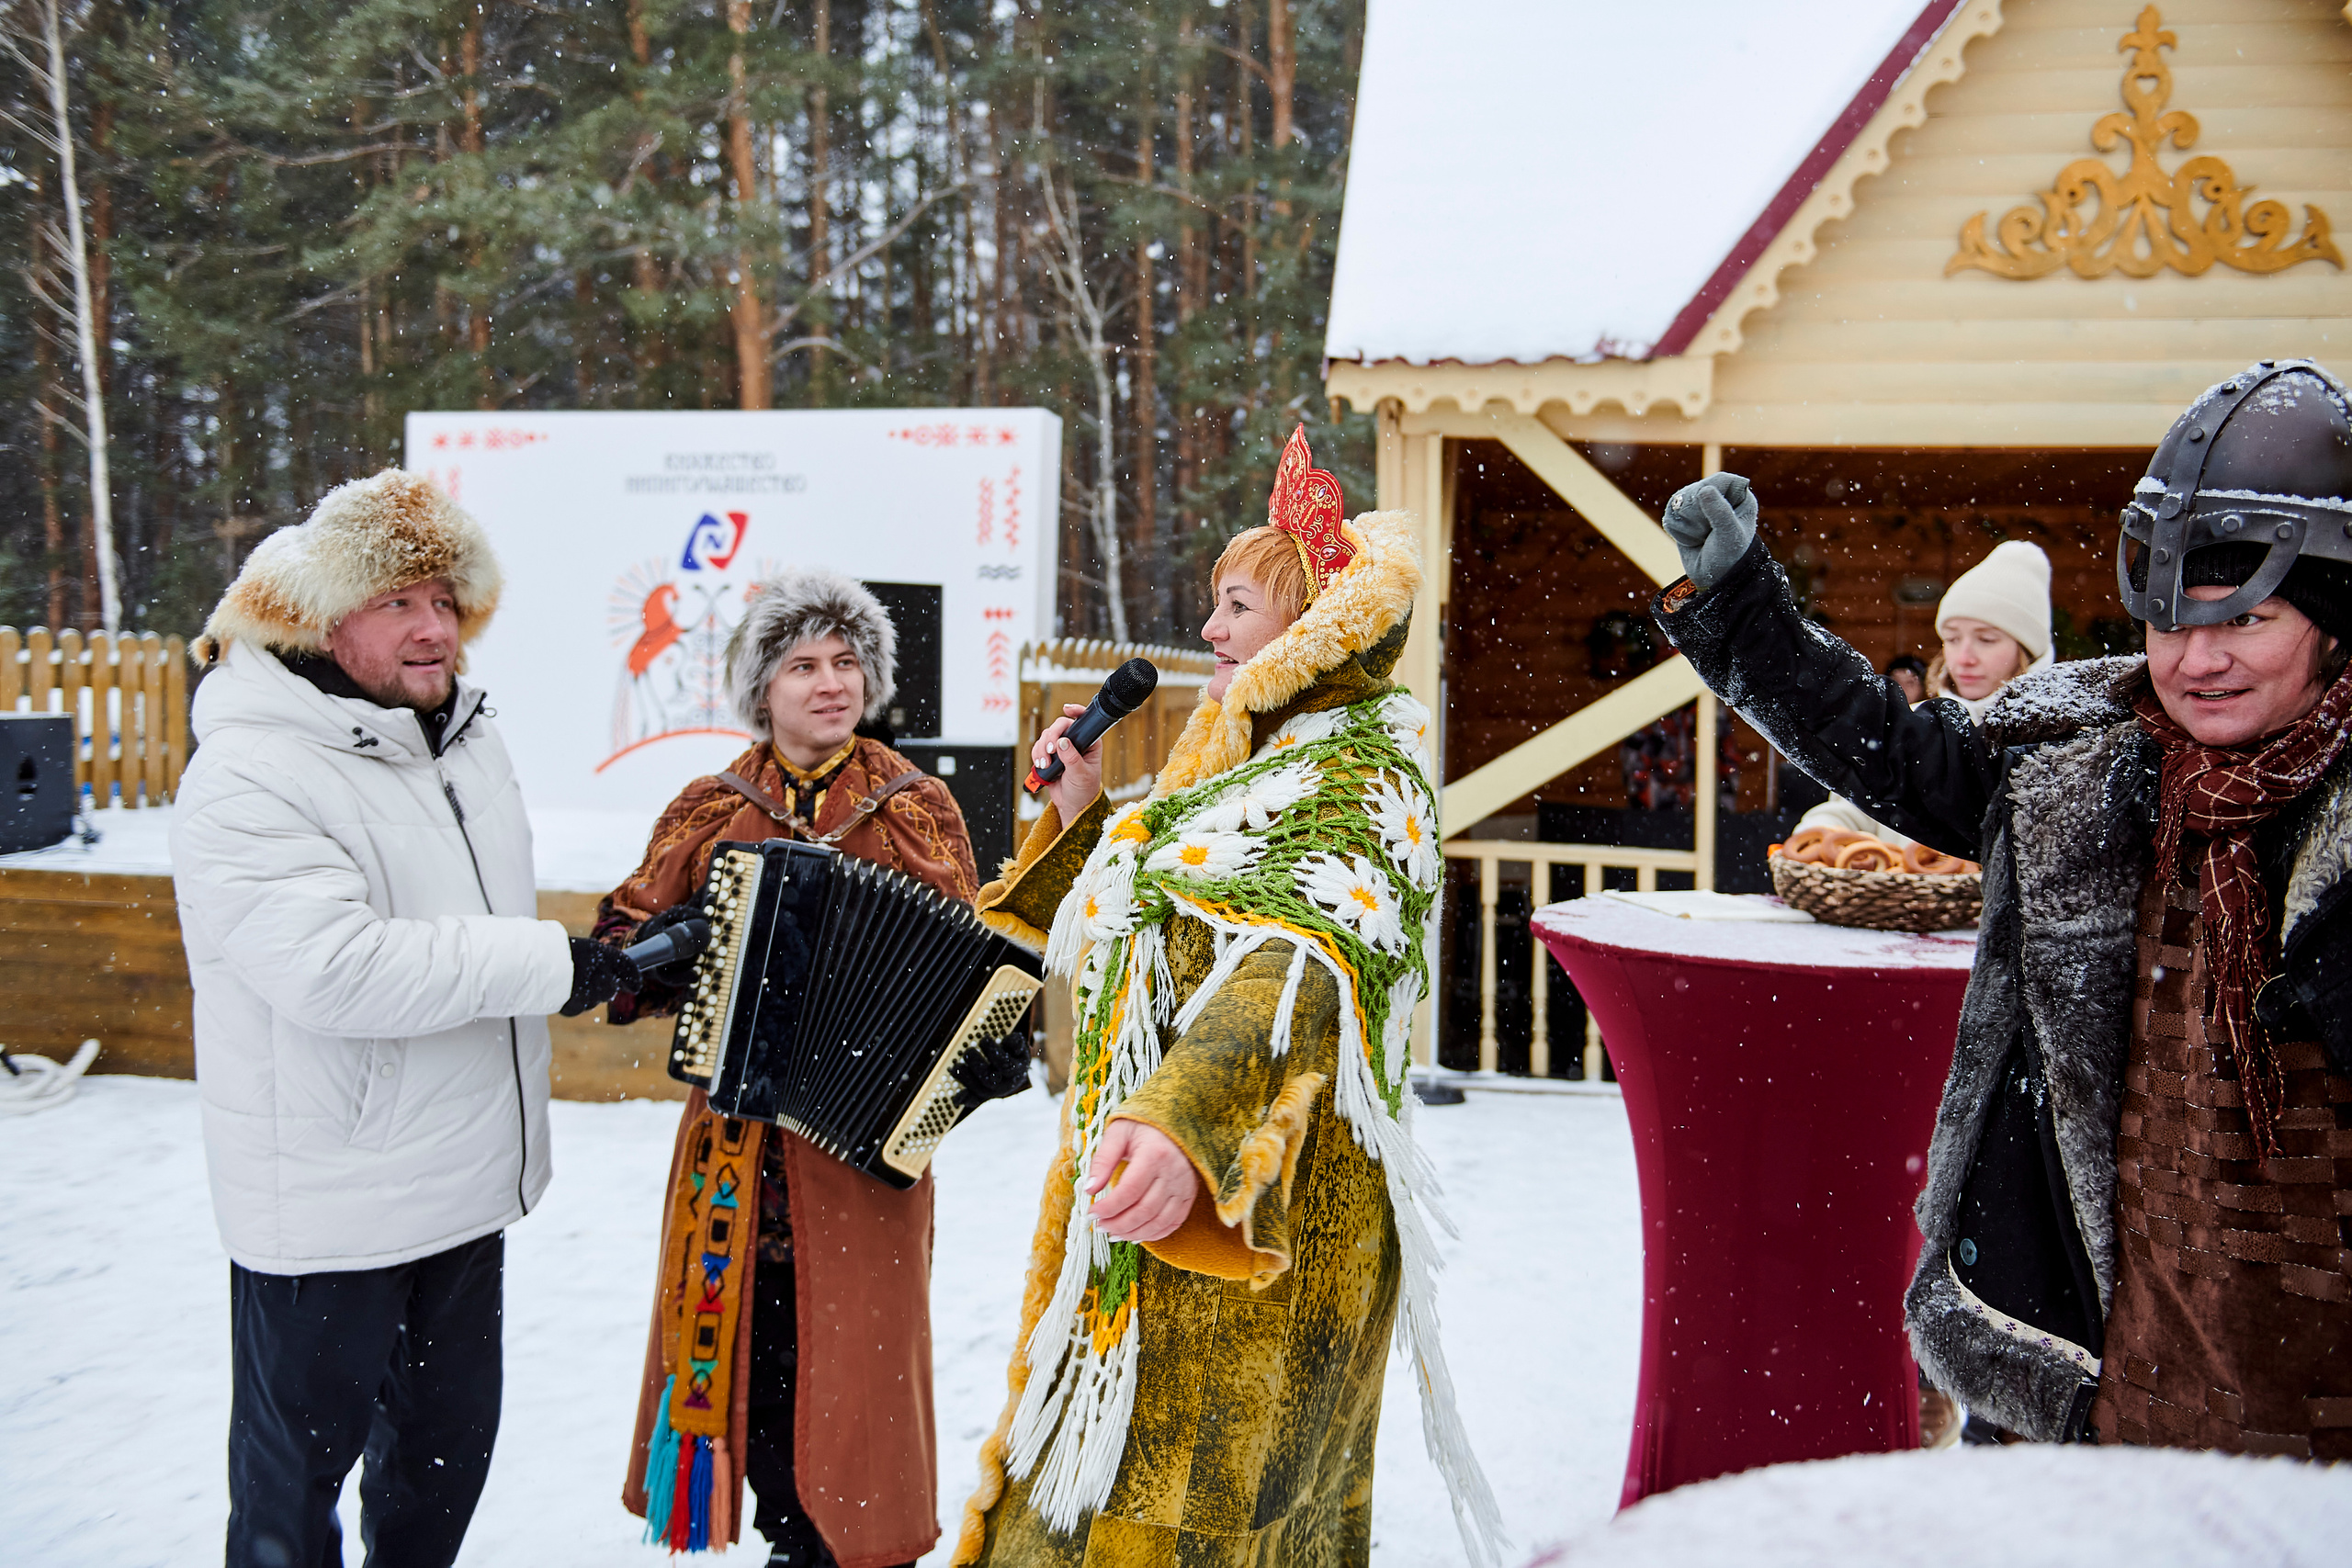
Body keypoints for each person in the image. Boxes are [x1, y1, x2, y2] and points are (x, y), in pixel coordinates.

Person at [1651, 358, 2352, 1456]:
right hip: (2095, 1383)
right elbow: (1896, 752)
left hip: (2316, 1410)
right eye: (2166, 622)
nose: (2196, 660)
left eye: (2247, 619)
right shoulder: (2084, 760)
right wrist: (1748, 611)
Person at [953, 428, 1500, 1568]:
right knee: (1121, 1498)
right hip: (1174, 1193)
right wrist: (1082, 818)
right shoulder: (1254, 760)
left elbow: (1296, 966)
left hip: (1263, 1207)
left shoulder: (1359, 775)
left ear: (1313, 628)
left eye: (1237, 604)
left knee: (1212, 1510)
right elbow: (1167, 914)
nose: (1210, 629)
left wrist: (1179, 1120)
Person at [172, 469, 633, 1568]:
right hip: (328, 1203)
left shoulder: (463, 734)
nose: (435, 628)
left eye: (444, 598)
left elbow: (458, 923)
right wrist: (551, 966)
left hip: (465, 1186)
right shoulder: (252, 769)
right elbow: (335, 968)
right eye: (398, 603)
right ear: (326, 618)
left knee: (440, 1468)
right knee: (293, 1495)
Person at [600, 568, 1028, 1565]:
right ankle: (784, 1530)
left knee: (860, 1387)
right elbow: (619, 957)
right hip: (735, 1151)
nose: (827, 683)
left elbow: (969, 959)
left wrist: (983, 1051)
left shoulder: (915, 808)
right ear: (762, 688)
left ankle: (843, 1546)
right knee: (750, 1367)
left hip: (861, 1152)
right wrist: (677, 951)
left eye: (846, 663)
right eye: (800, 665)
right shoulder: (710, 809)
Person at [1794, 541, 2053, 849]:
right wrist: (1821, 831)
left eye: (1986, 639)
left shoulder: (2051, 744)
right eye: (1953, 638)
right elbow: (1853, 807)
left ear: (2026, 652)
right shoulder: (1911, 722)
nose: (1964, 657)